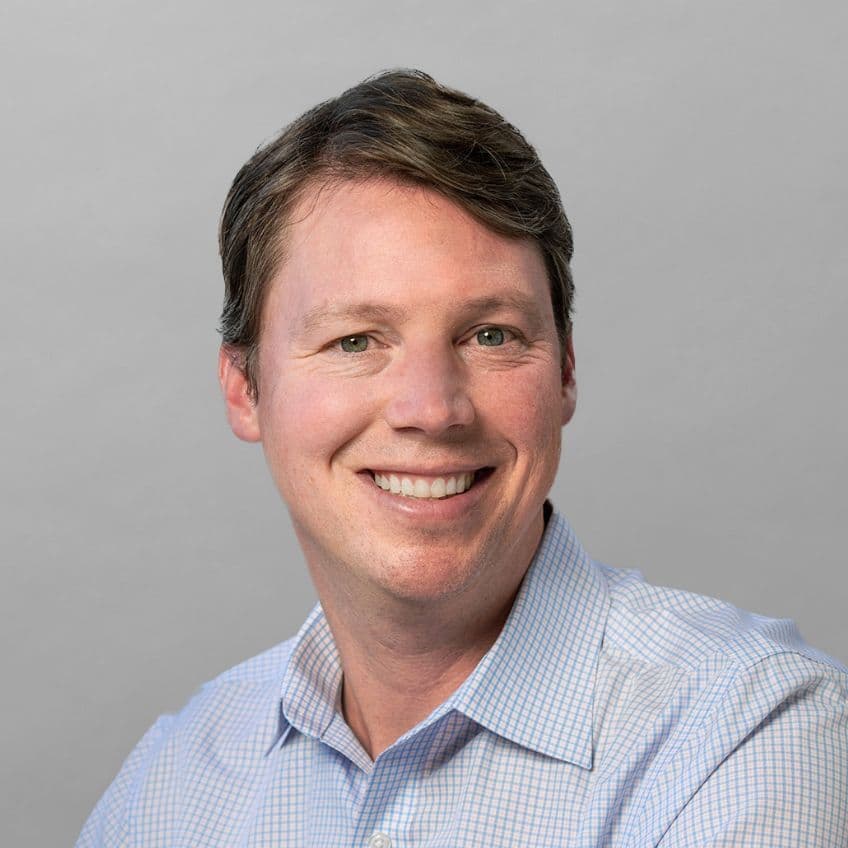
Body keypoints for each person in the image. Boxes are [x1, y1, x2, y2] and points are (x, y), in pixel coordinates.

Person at [77, 69, 847, 847]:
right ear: (245, 388)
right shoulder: (171, 785)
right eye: (355, 341)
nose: (432, 409)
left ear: (566, 373)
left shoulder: (748, 733)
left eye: (491, 336)